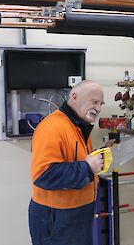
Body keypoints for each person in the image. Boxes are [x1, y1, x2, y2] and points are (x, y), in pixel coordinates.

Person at [28, 80, 112, 245]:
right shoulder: (53, 128)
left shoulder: (78, 126)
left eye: (101, 103)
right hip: (57, 217)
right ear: (74, 97)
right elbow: (43, 175)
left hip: (78, 215)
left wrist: (101, 154)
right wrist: (87, 168)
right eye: (94, 102)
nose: (99, 108)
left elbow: (75, 159)